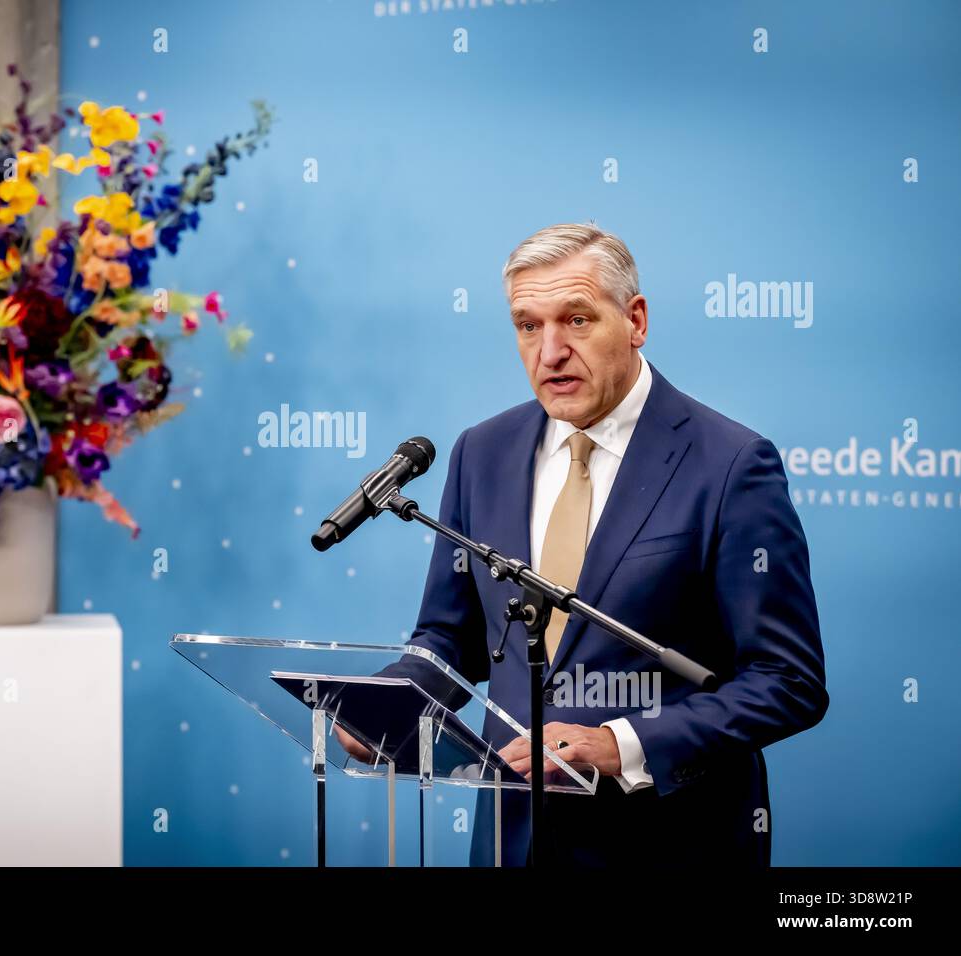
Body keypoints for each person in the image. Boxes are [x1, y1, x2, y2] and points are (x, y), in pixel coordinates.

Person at [337, 223, 828, 867]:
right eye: (527, 325)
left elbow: (787, 680)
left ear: (635, 320)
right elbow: (449, 637)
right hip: (514, 838)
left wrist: (619, 741)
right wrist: (389, 699)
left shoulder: (732, 463)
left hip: (669, 843)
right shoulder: (481, 452)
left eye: (575, 319)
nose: (550, 352)